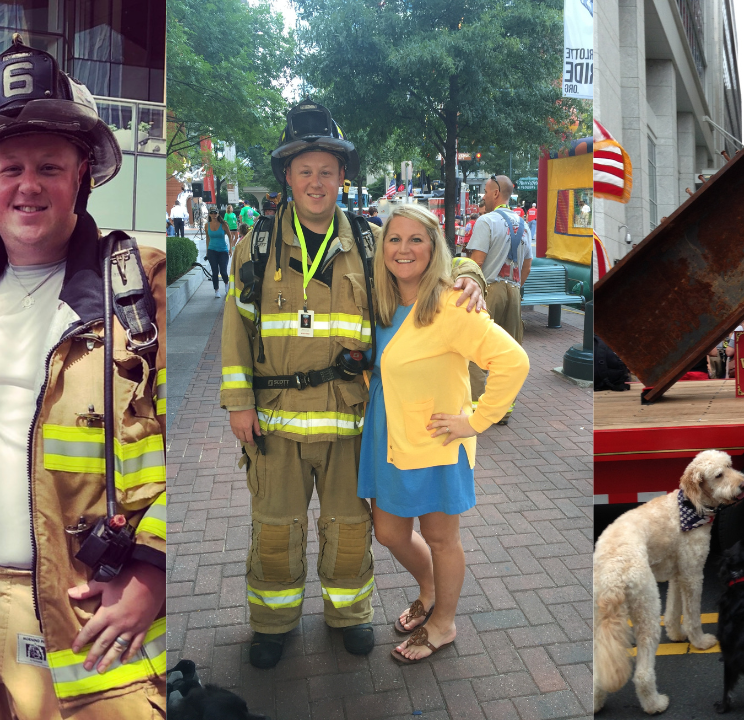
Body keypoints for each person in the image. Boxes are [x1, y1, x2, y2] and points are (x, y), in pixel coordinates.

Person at [0, 37, 166, 717]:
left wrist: (154, 575)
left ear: (82, 176)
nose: (27, 185)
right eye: (9, 168)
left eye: (49, 167)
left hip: (89, 619)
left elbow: (198, 436)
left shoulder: (140, 289)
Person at [219, 99, 486, 670]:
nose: (316, 182)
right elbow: (236, 331)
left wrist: (472, 278)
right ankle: (272, 623)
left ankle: (349, 615)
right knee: (275, 528)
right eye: (304, 171)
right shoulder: (255, 247)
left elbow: (431, 258)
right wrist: (238, 403)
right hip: (275, 421)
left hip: (351, 420)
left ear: (342, 175)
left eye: (327, 171)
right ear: (287, 176)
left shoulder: (371, 243)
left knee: (348, 528)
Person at [358, 204, 528, 664]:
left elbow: (513, 361)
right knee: (389, 532)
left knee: (440, 538)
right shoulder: (380, 301)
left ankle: (443, 623)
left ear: (434, 248)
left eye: (416, 239)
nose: (404, 248)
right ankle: (430, 588)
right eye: (395, 239)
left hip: (437, 442)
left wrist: (476, 421)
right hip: (388, 436)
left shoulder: (453, 303)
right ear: (383, 248)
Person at [466, 175, 531, 423]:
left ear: (495, 193)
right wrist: (515, 288)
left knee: (477, 349)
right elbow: (527, 265)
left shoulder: (486, 221)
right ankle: (504, 410)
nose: (483, 196)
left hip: (488, 291)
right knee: (508, 353)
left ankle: (477, 409)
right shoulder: (524, 225)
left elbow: (477, 262)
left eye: (485, 191)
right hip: (514, 293)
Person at [206, 207, 231, 298]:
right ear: (209, 214)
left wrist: (231, 249)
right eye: (212, 213)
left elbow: (230, 236)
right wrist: (207, 251)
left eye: (215, 213)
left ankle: (226, 283)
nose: (213, 215)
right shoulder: (207, 225)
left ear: (218, 214)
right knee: (215, 271)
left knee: (223, 271)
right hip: (212, 250)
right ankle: (216, 290)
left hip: (223, 250)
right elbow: (207, 238)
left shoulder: (223, 224)